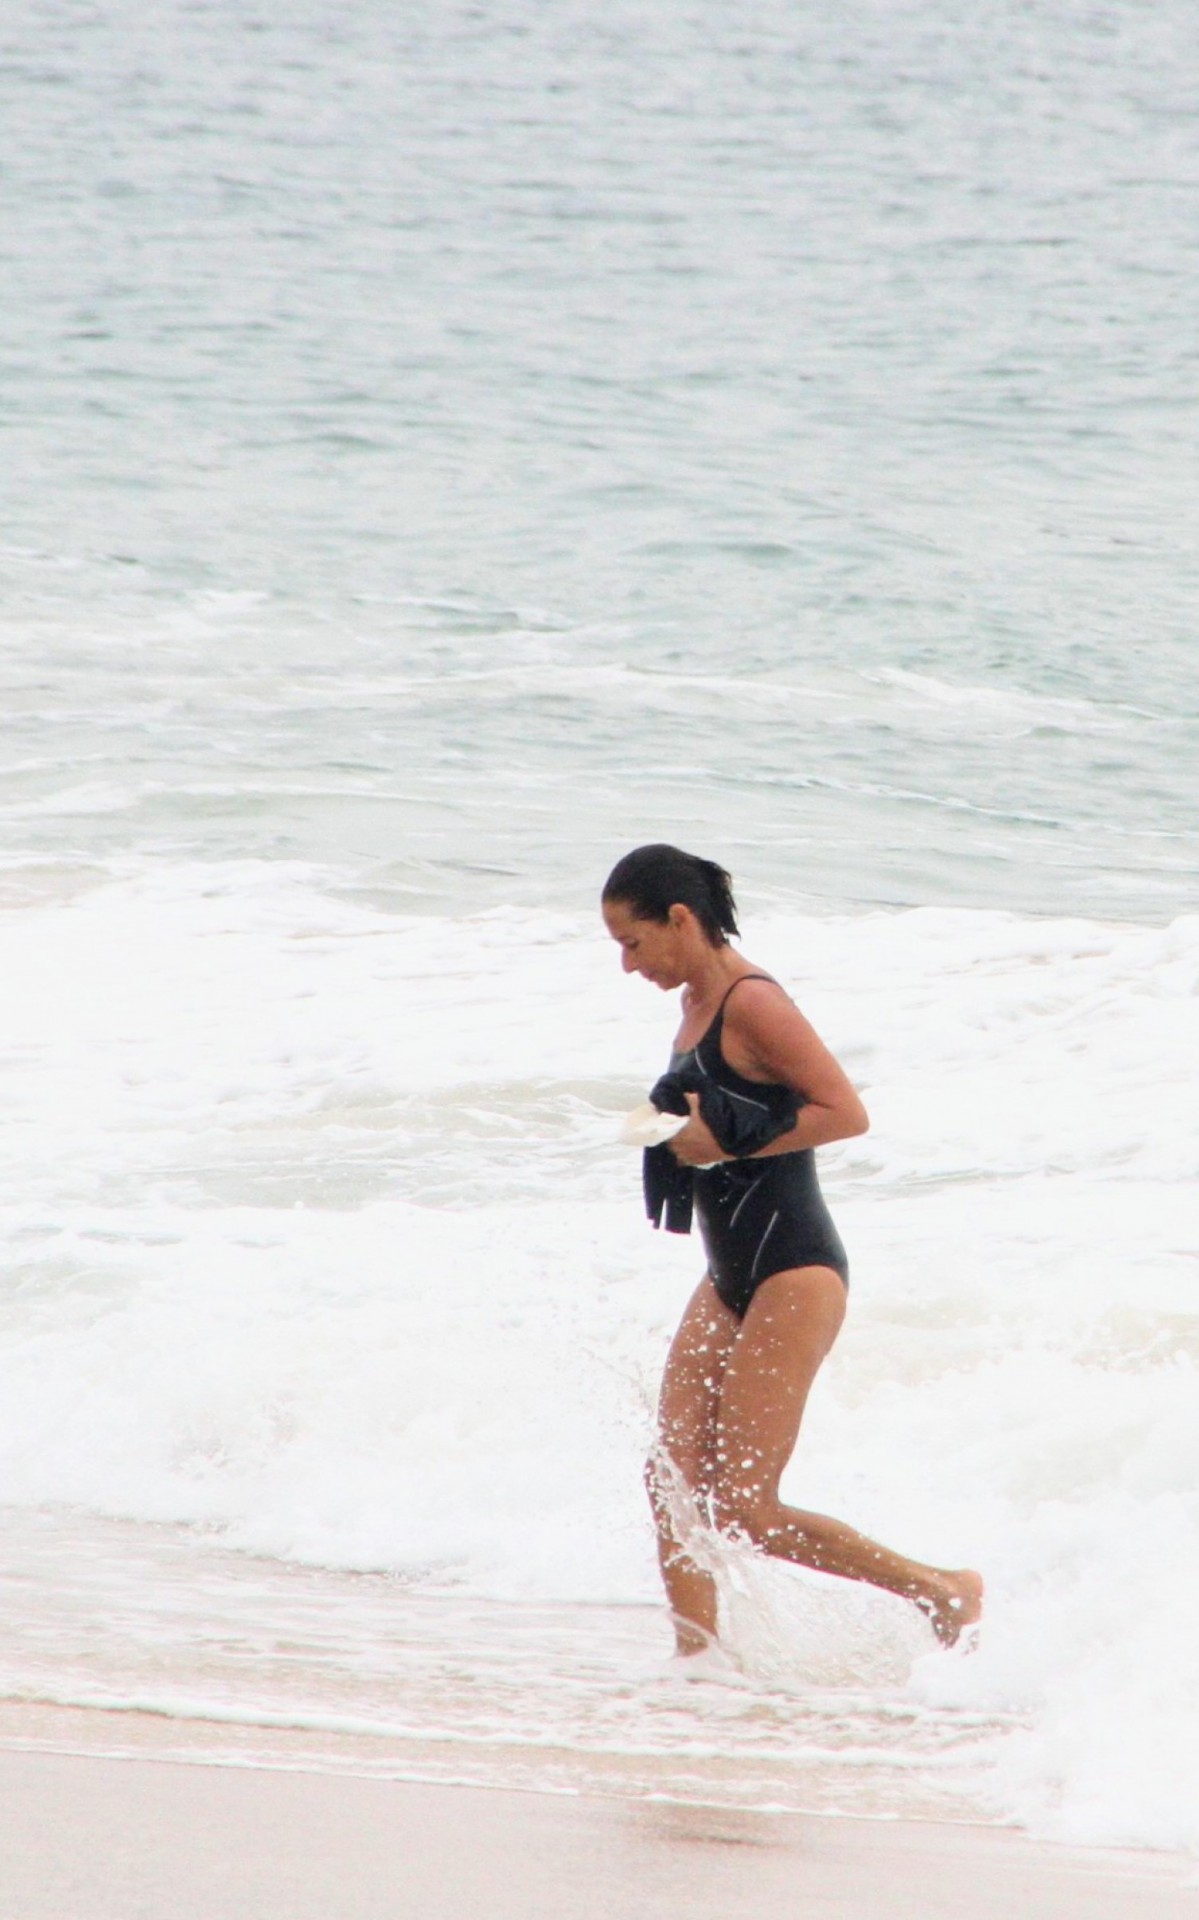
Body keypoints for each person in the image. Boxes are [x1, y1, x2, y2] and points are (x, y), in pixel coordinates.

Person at [601, 844, 983, 1658]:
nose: (627, 965)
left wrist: (721, 1147)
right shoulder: (694, 1011)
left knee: (746, 1508)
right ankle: (696, 1671)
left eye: (632, 943)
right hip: (728, 1273)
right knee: (671, 1483)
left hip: (793, 1272)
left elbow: (845, 1113)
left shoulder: (752, 1002)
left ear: (679, 919)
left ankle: (943, 1590)